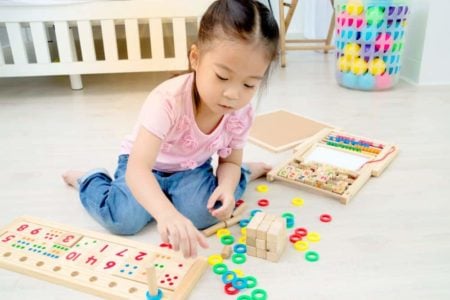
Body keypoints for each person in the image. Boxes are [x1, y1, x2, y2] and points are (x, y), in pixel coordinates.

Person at [62, 0, 280, 258]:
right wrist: (166, 215)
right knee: (123, 220)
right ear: (195, 58)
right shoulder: (167, 100)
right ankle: (90, 180)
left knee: (207, 213)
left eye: (249, 85)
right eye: (222, 77)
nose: (233, 94)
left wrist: (228, 185)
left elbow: (229, 161)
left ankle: (244, 174)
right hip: (144, 168)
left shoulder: (241, 112)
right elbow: (138, 169)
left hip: (191, 168)